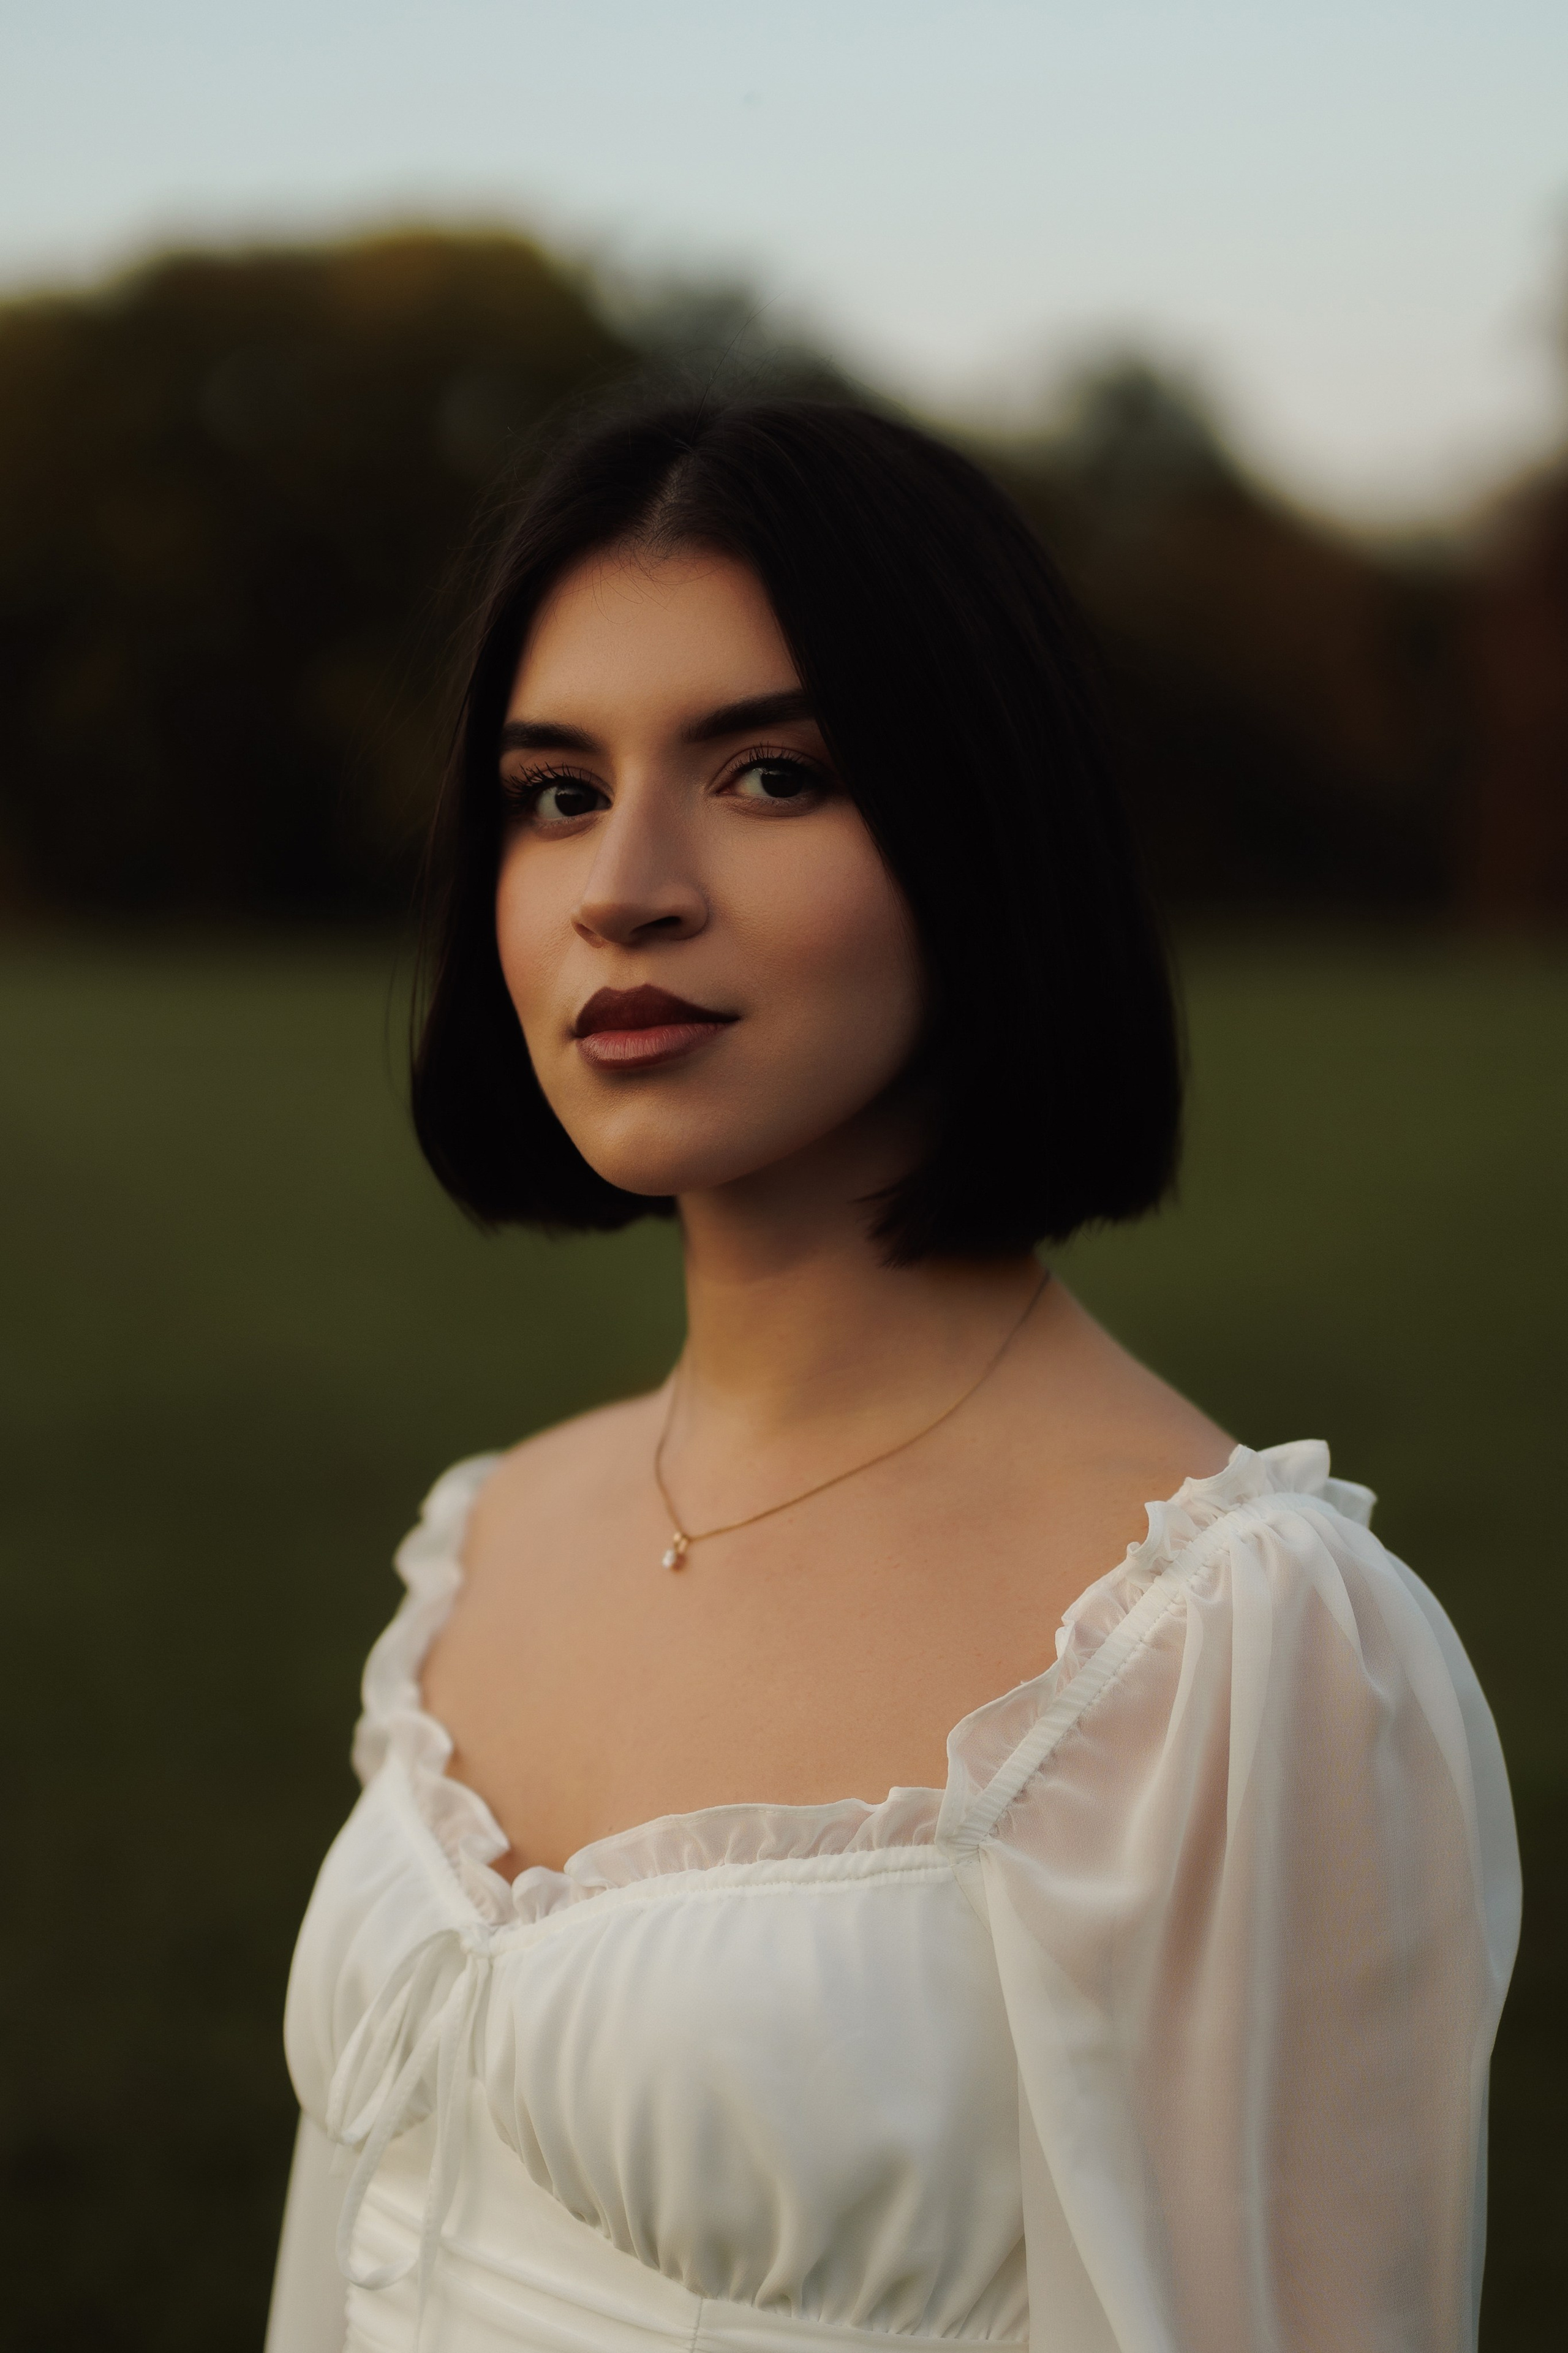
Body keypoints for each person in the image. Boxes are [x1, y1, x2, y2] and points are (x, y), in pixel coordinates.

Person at [266, 398, 1519, 2353]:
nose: (629, 886)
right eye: (554, 791)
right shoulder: (487, 1527)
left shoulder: (1234, 1653)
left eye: (771, 772)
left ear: (983, 824)